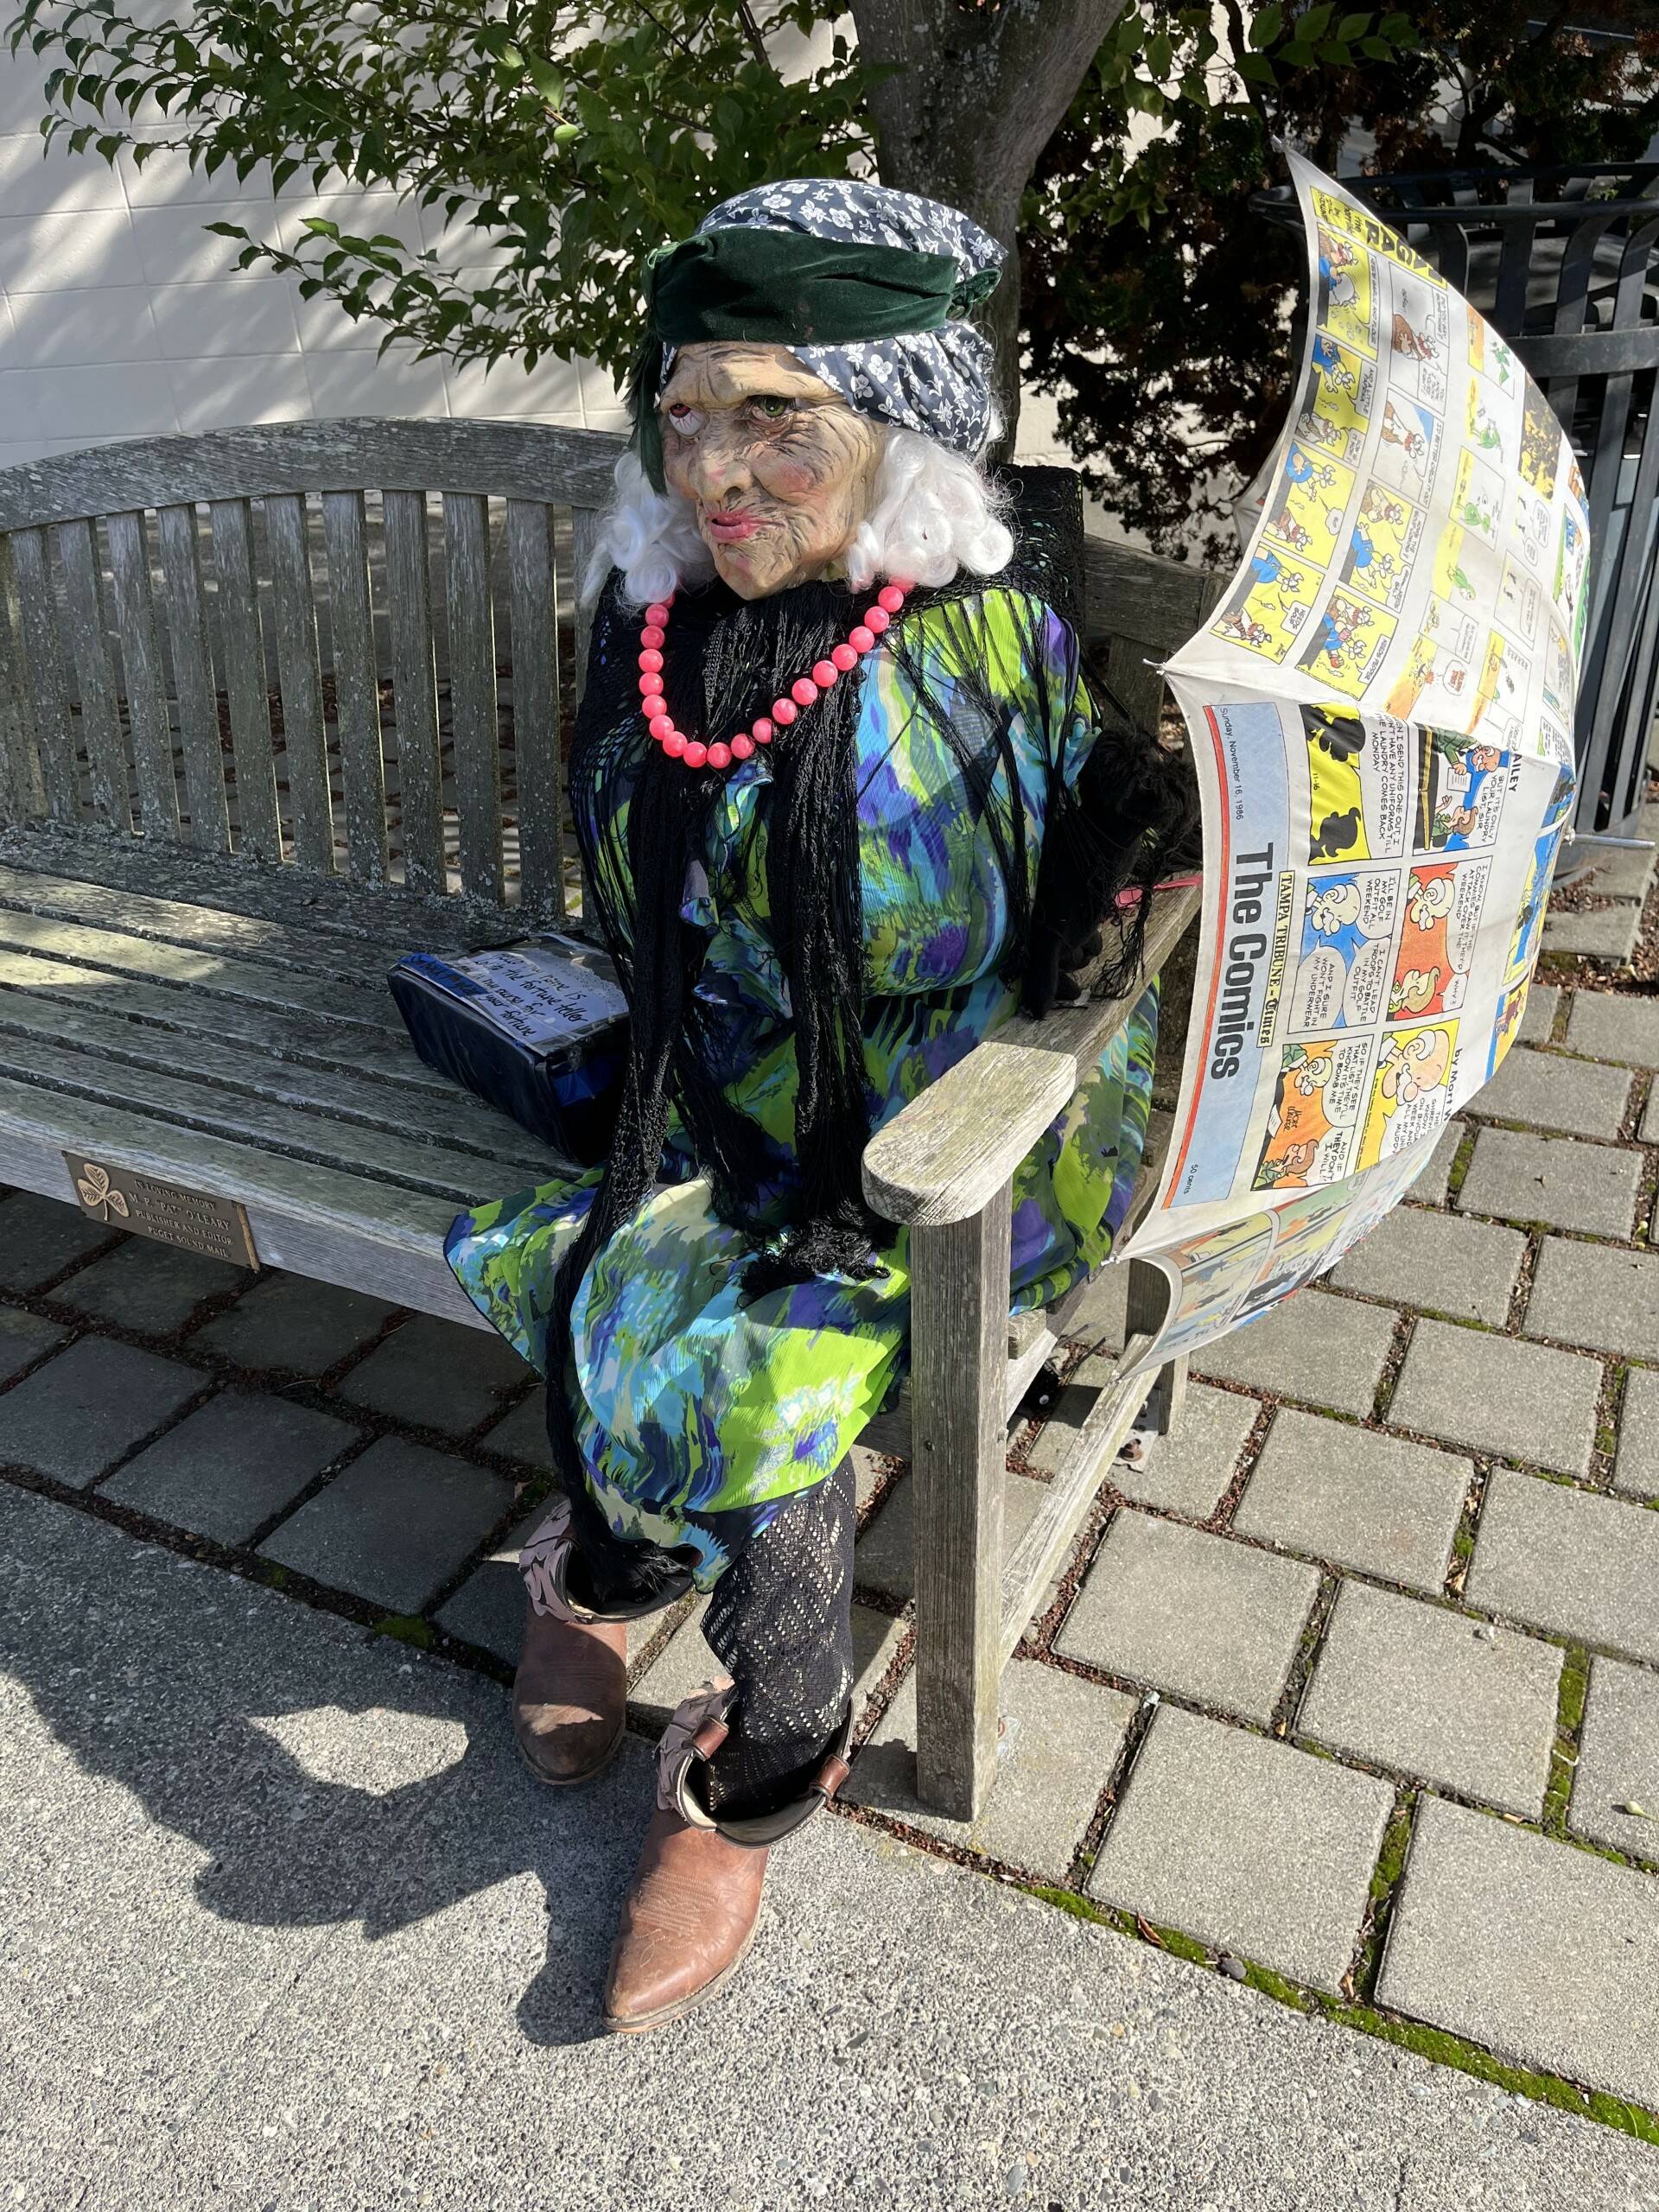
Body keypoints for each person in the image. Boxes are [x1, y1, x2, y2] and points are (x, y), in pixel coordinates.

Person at [445, 178, 1192, 2033]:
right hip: (720, 1103)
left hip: (950, 1134)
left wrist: (1112, 859)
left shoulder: (980, 643)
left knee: (765, 1383)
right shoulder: (652, 632)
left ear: (898, 425)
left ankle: (761, 1758)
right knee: (619, 1276)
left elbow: (1040, 959)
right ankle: (606, 1566)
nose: (714, 467)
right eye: (686, 412)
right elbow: (637, 893)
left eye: (774, 415)